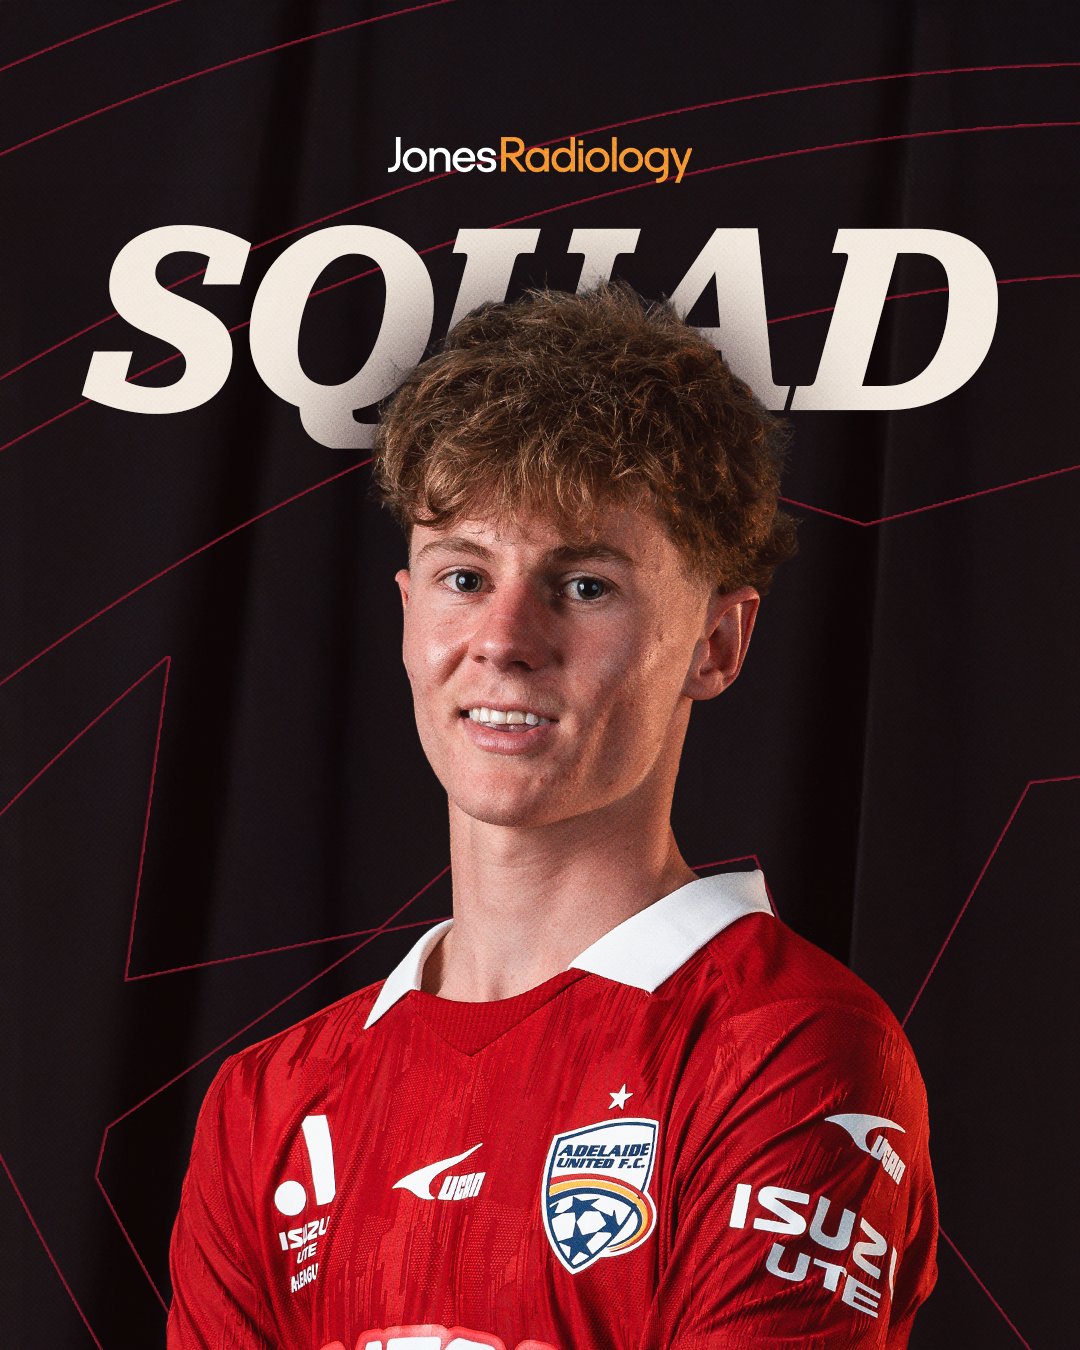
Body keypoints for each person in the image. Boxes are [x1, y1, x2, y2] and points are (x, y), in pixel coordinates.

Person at [167, 283, 937, 1349]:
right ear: (408, 617)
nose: (503, 639)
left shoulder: (792, 1051)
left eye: (584, 586)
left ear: (716, 643)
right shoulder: (268, 1102)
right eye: (465, 576)